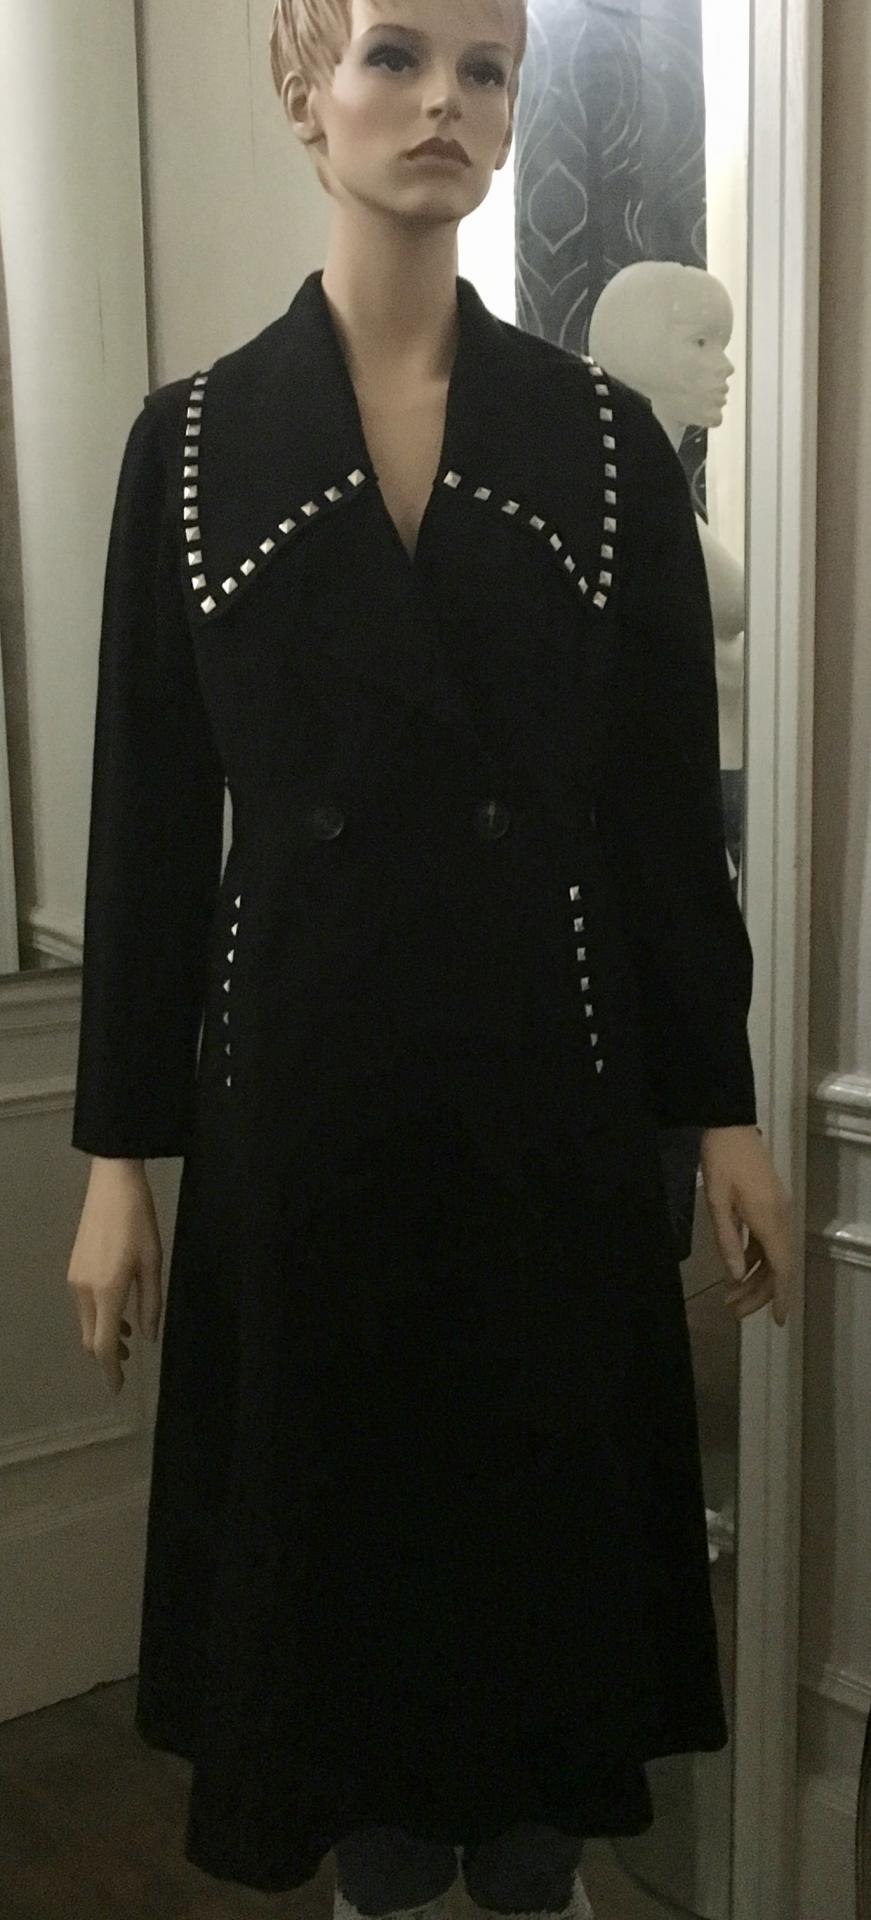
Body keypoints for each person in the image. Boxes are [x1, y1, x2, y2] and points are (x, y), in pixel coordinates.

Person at [66, 0, 794, 1909]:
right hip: (304, 1118)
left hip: (548, 1115)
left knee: (538, 1645)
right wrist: (119, 1158)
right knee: (351, 1651)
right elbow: (150, 830)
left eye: (487, 71)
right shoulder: (192, 446)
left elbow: (661, 831)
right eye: (397, 55)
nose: (446, 104)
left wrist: (722, 1115)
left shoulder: (605, 447)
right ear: (303, 88)